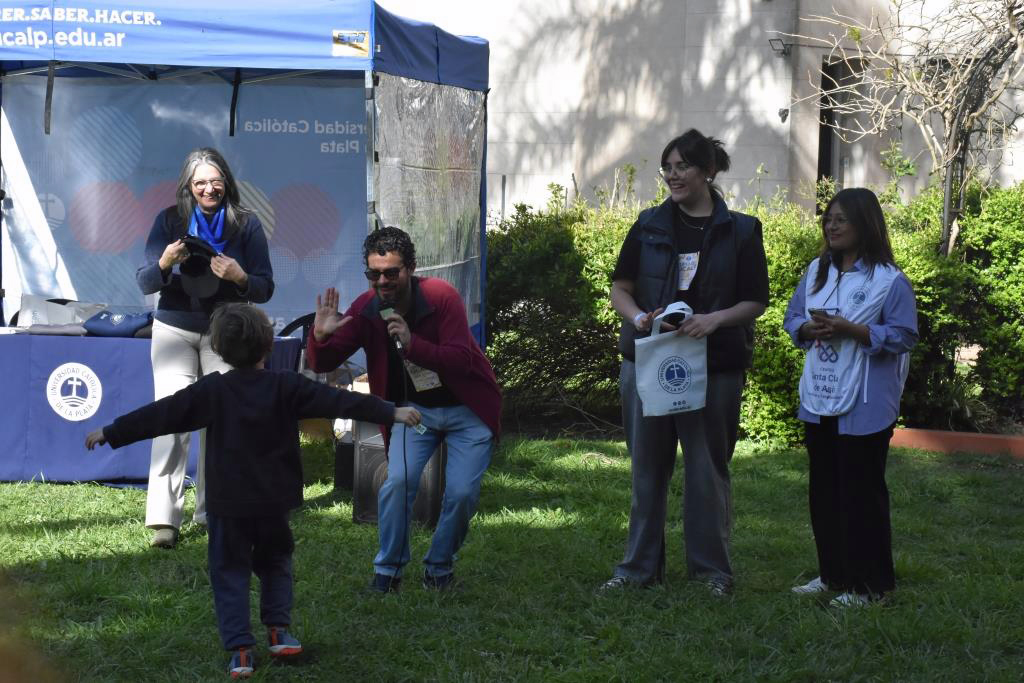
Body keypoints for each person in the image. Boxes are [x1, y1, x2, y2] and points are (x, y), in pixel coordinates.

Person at [85, 303, 422, 678]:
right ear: (268, 348)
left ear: (220, 351)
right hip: (274, 503)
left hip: (228, 507)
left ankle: (241, 652)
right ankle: (279, 632)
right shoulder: (286, 385)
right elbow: (341, 400)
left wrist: (111, 432)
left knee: (229, 573)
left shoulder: (211, 390)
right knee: (277, 565)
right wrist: (391, 411)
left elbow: (161, 414)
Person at [602, 129, 769, 595]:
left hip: (713, 365)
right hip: (649, 359)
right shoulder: (648, 224)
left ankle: (712, 573)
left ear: (707, 171)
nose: (673, 176)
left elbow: (756, 300)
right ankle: (637, 570)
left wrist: (714, 320)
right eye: (668, 167)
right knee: (646, 469)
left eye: (683, 167)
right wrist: (639, 318)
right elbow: (621, 288)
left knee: (706, 470)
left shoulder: (741, 230)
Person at [307, 226, 501, 592]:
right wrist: (319, 337)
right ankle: (388, 572)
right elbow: (323, 363)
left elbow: (461, 359)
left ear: (410, 268)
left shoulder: (441, 297)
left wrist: (413, 344)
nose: (382, 281)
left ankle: (439, 569)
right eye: (373, 274)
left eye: (391, 272)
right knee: (397, 483)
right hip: (415, 412)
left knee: (461, 494)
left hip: (468, 409)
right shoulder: (367, 308)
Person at [783, 188, 918, 607]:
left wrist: (853, 330)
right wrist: (809, 330)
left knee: (861, 494)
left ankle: (871, 586)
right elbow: (792, 319)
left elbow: (904, 334)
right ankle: (833, 576)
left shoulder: (889, 279)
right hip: (820, 395)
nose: (831, 225)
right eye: (828, 218)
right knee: (824, 490)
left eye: (841, 219)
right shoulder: (816, 271)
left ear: (866, 224)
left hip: (864, 403)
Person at [136, 147, 274, 549]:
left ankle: (215, 512)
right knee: (172, 422)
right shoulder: (169, 221)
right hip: (174, 330)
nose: (208, 189)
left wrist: (240, 275)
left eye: (215, 182)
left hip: (227, 333)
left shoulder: (246, 225)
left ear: (226, 183)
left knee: (222, 422)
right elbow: (145, 282)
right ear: (188, 186)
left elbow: (264, 288)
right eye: (200, 183)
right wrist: (164, 263)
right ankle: (164, 520)